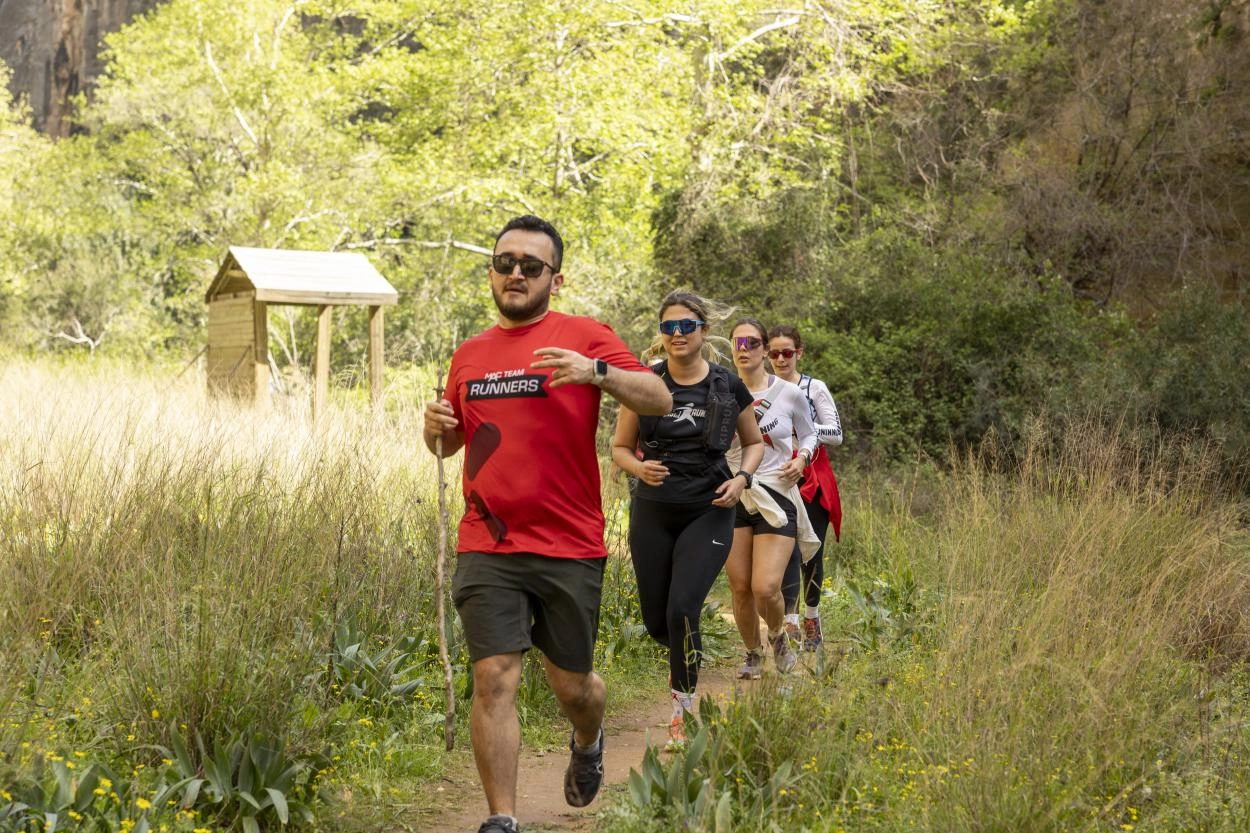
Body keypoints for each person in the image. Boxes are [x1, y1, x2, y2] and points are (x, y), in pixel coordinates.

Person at [423, 215, 672, 833]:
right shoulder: (469, 353)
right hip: (488, 540)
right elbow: (450, 448)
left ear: (554, 280)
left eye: (531, 266)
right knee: (494, 676)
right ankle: (502, 820)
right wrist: (436, 431)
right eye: (505, 262)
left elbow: (659, 398)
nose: (515, 274)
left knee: (572, 687)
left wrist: (598, 375)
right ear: (491, 271)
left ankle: (588, 736)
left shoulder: (584, 336)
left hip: (569, 543)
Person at [610, 291, 764, 747]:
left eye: (686, 326)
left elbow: (753, 443)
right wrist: (638, 467)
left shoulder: (725, 384)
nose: (677, 334)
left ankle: (682, 712)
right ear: (662, 335)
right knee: (659, 623)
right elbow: (619, 448)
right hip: (653, 511)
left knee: (682, 610)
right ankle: (682, 655)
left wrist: (742, 480)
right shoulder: (643, 383)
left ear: (702, 332)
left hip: (709, 508)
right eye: (669, 328)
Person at [724, 319, 821, 679]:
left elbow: (809, 435)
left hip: (776, 492)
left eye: (751, 342)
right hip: (733, 493)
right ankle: (753, 653)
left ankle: (778, 636)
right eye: (737, 342)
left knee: (765, 586)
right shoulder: (721, 390)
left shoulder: (788, 393)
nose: (743, 348)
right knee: (739, 586)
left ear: (765, 349)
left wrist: (800, 458)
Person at [770, 325, 843, 651]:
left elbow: (836, 432)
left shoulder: (814, 388)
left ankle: (812, 615)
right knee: (784, 549)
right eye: (774, 353)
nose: (780, 359)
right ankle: (791, 619)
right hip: (776, 474)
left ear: (799, 352)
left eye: (787, 352)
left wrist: (801, 429)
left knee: (811, 550)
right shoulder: (763, 388)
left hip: (812, 475)